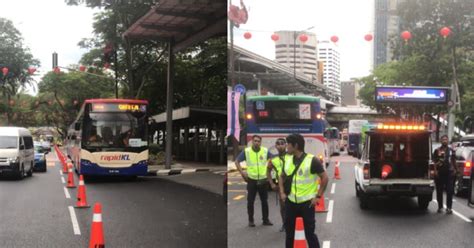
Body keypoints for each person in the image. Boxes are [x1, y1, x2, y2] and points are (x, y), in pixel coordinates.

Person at [278, 133, 329, 248]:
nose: (286, 146)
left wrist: (318, 196)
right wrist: (281, 192)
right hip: (291, 202)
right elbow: (281, 176)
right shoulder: (288, 159)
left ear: (295, 146)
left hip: (307, 203)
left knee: (310, 234)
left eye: (288, 144)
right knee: (289, 233)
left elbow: (324, 177)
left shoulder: (312, 160)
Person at [235, 135, 273, 227]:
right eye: (255, 141)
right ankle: (251, 220)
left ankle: (265, 220)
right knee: (250, 201)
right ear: (252, 141)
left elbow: (273, 159)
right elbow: (237, 161)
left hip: (263, 180)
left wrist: (269, 168)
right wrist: (242, 173)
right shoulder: (247, 151)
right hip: (251, 180)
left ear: (261, 142)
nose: (257, 142)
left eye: (258, 141)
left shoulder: (264, 151)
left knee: (264, 201)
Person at [266, 138, 289, 232]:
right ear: (275, 146)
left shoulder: (291, 156)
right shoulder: (273, 159)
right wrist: (271, 183)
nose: (280, 145)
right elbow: (267, 171)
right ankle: (285, 224)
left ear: (286, 145)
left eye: (282, 143)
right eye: (278, 144)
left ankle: (295, 223)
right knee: (283, 206)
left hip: (293, 184)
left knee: (294, 206)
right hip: (280, 186)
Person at [433, 135, 459, 214]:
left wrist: (456, 170)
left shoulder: (451, 150)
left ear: (448, 141)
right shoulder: (437, 150)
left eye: (446, 139)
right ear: (441, 141)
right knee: (439, 191)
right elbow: (434, 162)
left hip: (449, 174)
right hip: (440, 174)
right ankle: (440, 207)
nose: (445, 141)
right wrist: (435, 171)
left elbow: (453, 160)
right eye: (443, 139)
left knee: (450, 191)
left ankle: (449, 208)